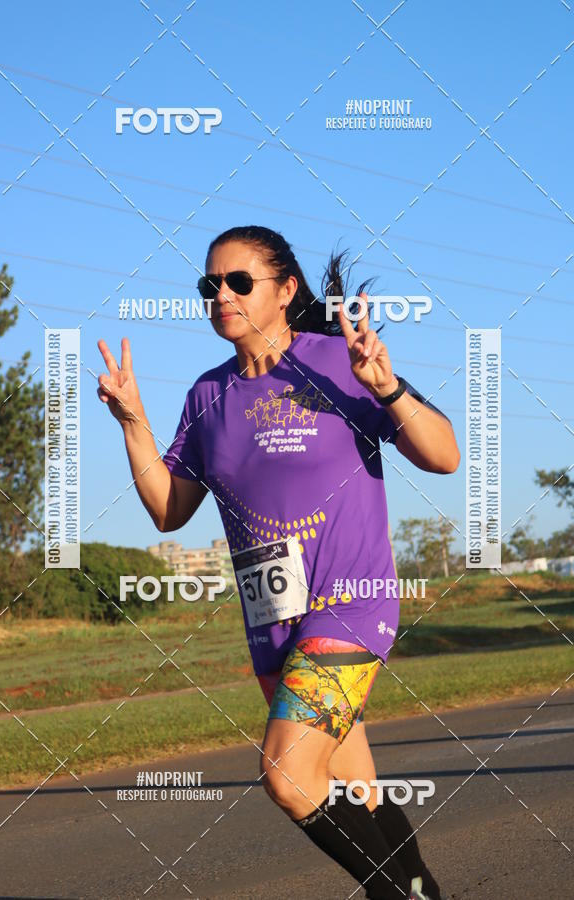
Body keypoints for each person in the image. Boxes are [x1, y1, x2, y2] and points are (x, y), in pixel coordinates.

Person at [97, 225, 459, 899]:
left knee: (289, 777)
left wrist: (388, 387)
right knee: (359, 795)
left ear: (286, 289)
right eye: (211, 285)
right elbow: (170, 510)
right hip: (275, 627)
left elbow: (444, 455)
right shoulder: (207, 398)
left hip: (348, 610)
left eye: (239, 281)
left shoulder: (336, 361)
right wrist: (132, 421)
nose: (221, 295)